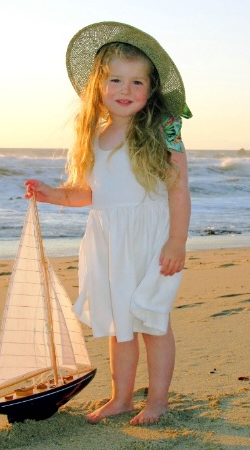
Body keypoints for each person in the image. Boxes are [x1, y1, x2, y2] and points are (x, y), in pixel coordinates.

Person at [25, 21, 192, 426]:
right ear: (98, 86)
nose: (126, 89)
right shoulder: (95, 136)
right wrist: (56, 194)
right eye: (115, 79)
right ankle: (121, 398)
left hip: (152, 241)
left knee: (152, 321)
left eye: (137, 82)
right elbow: (91, 193)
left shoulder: (161, 130)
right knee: (121, 326)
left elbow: (179, 189)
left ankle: (158, 400)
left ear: (150, 90)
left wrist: (176, 242)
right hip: (109, 241)